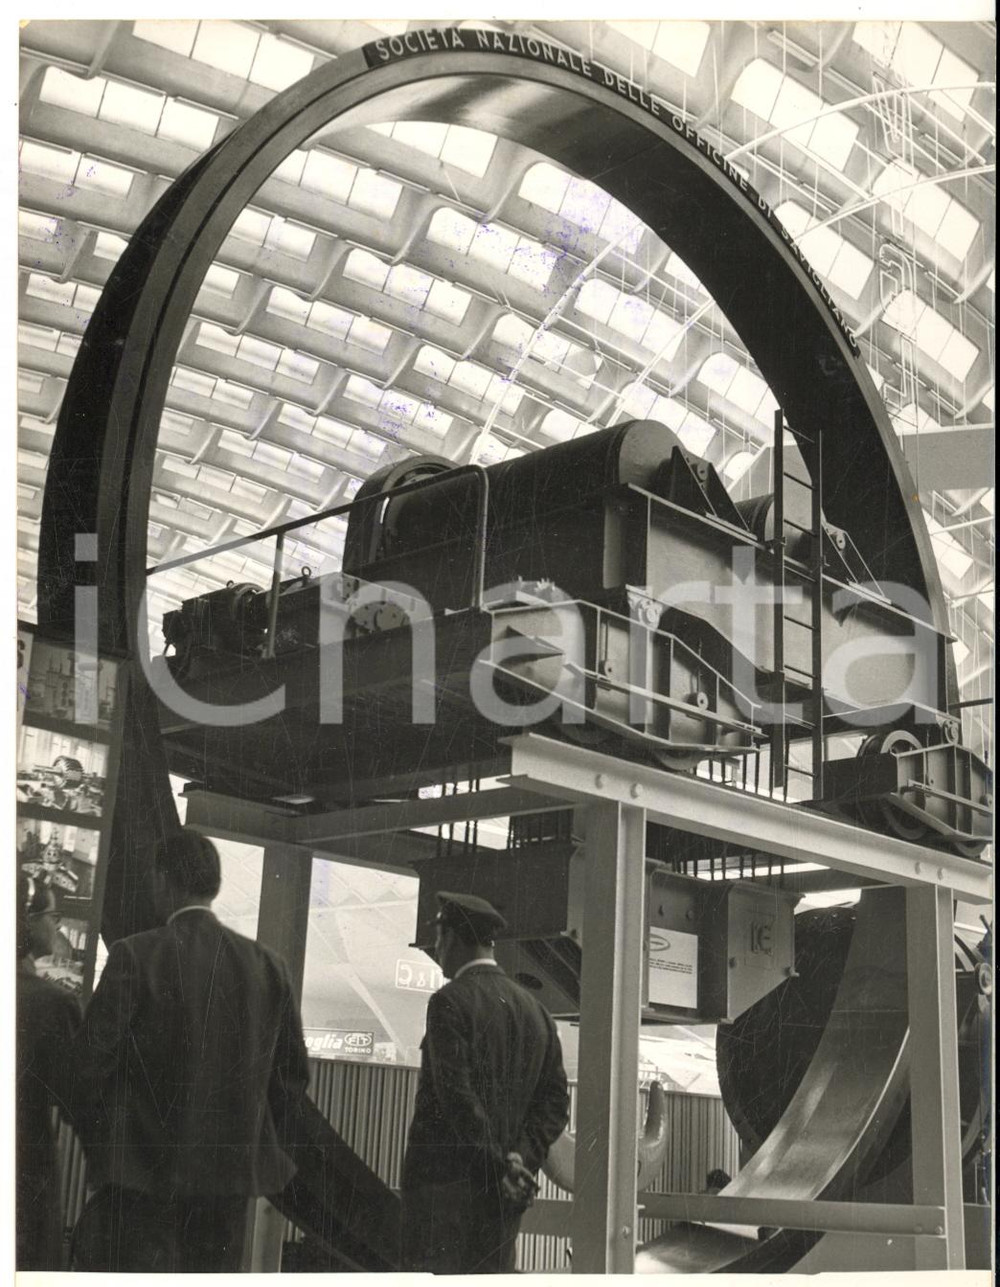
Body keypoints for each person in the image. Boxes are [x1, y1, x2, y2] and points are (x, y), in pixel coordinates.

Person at [67, 830, 312, 1272]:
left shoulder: (136, 956)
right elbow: (291, 1080)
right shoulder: (267, 966)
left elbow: (86, 1070)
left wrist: (110, 1149)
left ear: (163, 879)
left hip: (140, 1182)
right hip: (229, 1186)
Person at [401, 890, 570, 1273]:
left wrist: (497, 1164)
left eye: (439, 937)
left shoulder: (449, 1002)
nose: (438, 947)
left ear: (452, 938)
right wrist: (519, 1161)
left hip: (443, 1195)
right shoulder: (537, 1013)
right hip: (502, 1199)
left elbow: (456, 1097)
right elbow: (556, 1103)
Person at [16, 873, 82, 1270]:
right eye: (52, 916)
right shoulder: (51, 1003)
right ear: (26, 921)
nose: (57, 926)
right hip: (26, 1179)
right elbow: (81, 1102)